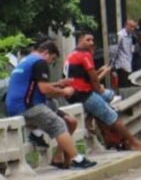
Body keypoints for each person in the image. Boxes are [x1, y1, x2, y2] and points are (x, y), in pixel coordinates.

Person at [5, 40, 96, 170]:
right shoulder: (40, 62)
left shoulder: (27, 60)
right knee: (59, 124)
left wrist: (58, 83)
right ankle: (77, 159)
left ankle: (40, 137)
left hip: (15, 106)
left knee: (63, 115)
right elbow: (44, 89)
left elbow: (34, 86)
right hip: (28, 107)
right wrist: (64, 91)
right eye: (52, 59)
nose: (51, 63)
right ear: (47, 53)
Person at [65, 30, 141, 150]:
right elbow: (93, 78)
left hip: (76, 92)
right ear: (80, 40)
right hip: (83, 94)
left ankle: (102, 129)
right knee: (112, 116)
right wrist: (99, 89)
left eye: (92, 40)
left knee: (109, 95)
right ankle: (133, 142)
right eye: (88, 40)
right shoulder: (84, 55)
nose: (91, 43)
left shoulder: (72, 54)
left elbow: (83, 76)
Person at [112, 18, 136, 88]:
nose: (132, 29)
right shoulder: (120, 35)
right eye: (131, 26)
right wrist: (113, 66)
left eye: (134, 27)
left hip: (129, 62)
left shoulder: (131, 36)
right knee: (123, 85)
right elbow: (113, 50)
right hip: (121, 64)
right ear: (126, 25)